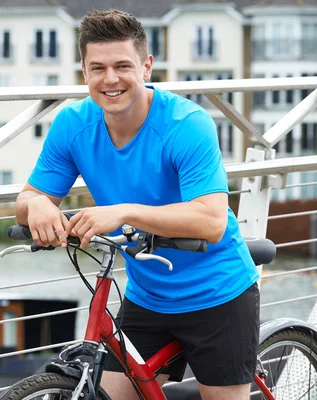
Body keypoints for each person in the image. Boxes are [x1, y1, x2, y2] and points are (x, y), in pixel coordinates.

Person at [14, 8, 260, 400]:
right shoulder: (72, 124)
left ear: (146, 66)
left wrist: (124, 211)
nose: (110, 79)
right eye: (98, 68)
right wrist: (37, 205)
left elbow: (212, 220)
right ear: (84, 71)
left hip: (218, 294)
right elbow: (28, 197)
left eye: (122, 66)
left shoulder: (186, 124)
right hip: (148, 296)